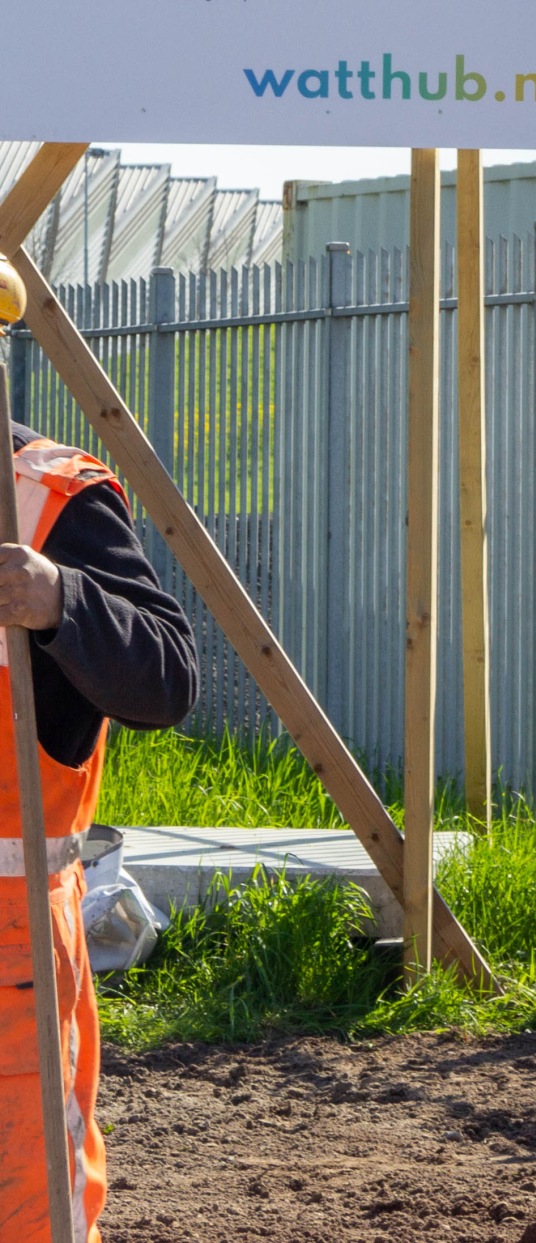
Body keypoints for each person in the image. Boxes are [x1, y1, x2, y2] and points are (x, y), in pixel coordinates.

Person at [0, 419, 198, 1242]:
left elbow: (167, 677)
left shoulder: (51, 501)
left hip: (11, 954)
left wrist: (59, 600)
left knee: (28, 1203)